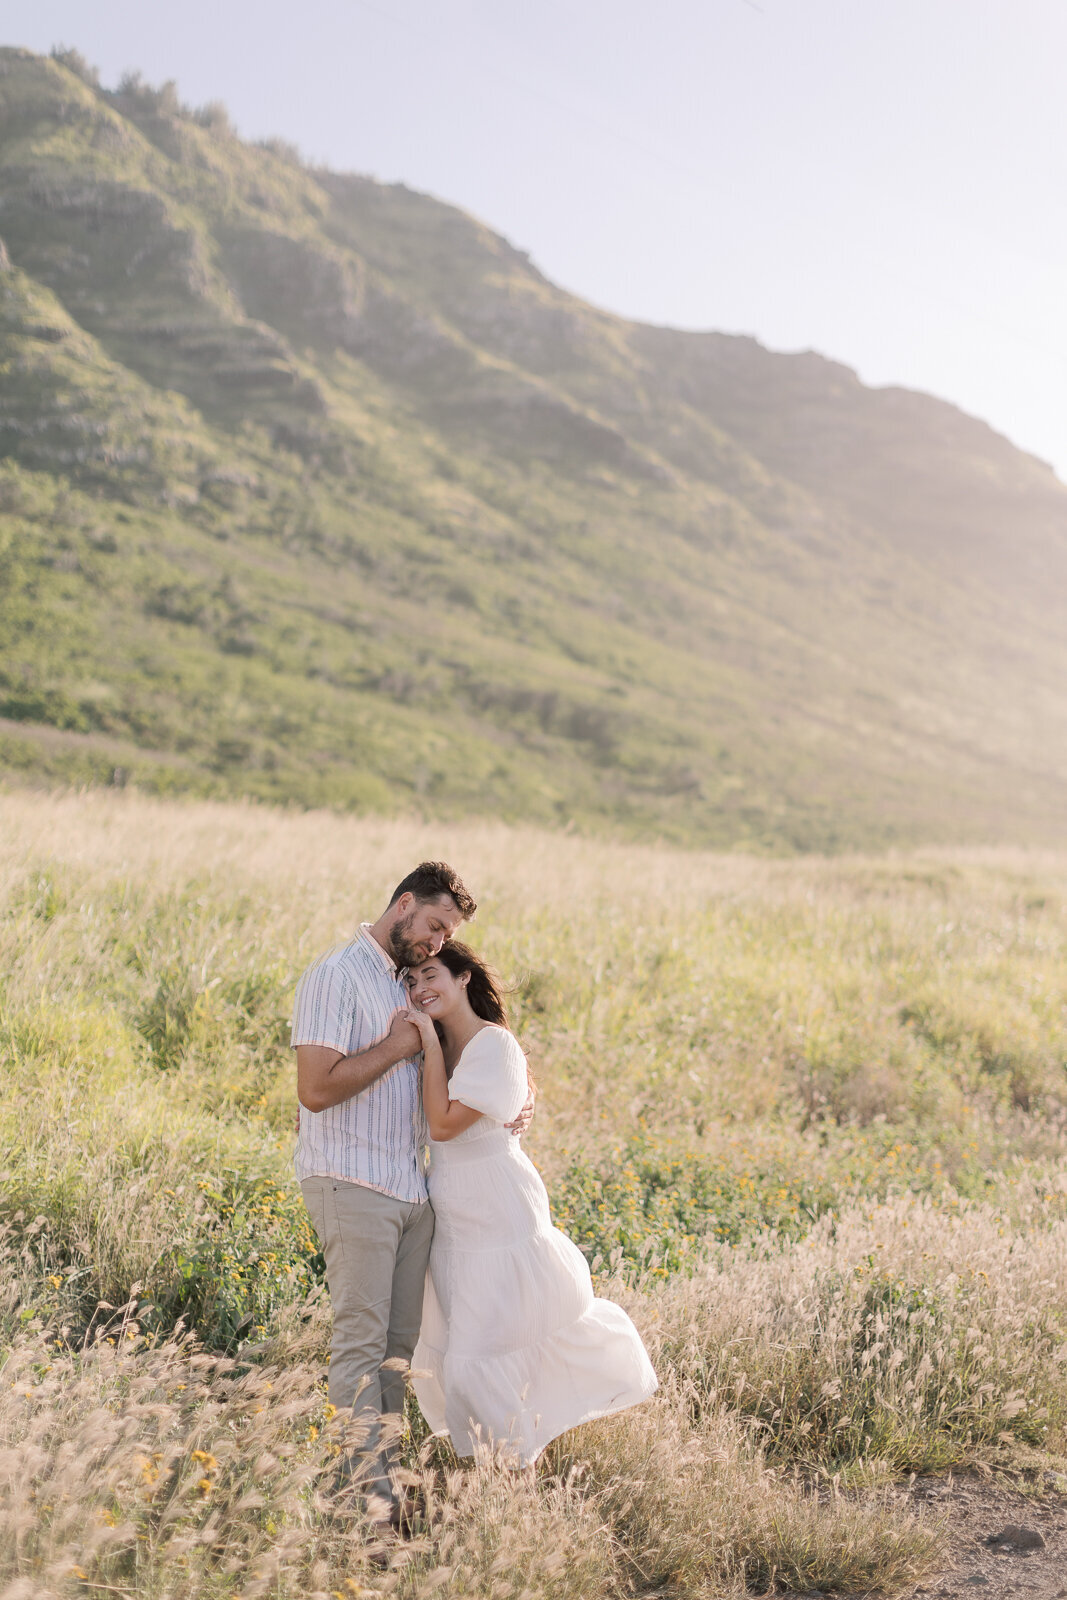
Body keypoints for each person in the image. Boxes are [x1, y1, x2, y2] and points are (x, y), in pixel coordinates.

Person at [291, 861, 532, 1522]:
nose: (433, 943)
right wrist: (398, 1049)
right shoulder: (335, 976)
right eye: (431, 926)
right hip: (352, 1182)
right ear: (401, 905)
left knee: (397, 1358)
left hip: (411, 1191)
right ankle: (359, 1509)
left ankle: (383, 1498)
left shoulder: (407, 983)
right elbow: (314, 1089)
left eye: (444, 935)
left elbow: (462, 1063)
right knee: (362, 1349)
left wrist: (507, 1103)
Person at [402, 942, 657, 1466]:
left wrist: (428, 1042)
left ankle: (512, 1469)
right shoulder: (432, 1046)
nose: (421, 989)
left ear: (463, 977)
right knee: (471, 1348)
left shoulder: (493, 1044)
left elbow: (444, 1126)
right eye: (410, 982)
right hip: (452, 1214)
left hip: (499, 1206)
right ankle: (501, 1472)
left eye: (431, 975)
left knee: (492, 1343)